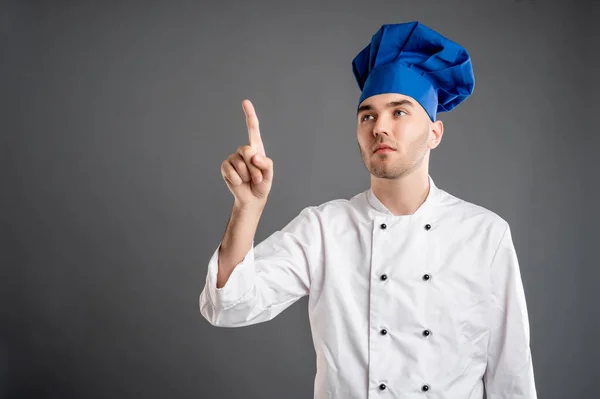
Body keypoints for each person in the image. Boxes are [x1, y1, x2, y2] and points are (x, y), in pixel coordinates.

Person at [199, 21, 537, 399]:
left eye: (400, 112)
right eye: (368, 115)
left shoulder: (485, 235)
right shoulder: (324, 229)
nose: (380, 128)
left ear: (435, 134)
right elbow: (228, 307)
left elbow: (512, 376)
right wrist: (248, 207)